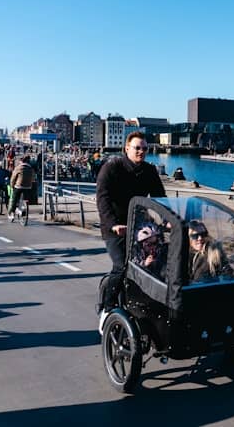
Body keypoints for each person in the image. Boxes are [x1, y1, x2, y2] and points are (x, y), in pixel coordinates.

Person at [96, 131, 166, 329]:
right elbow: (102, 199)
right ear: (127, 149)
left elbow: (161, 198)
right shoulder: (112, 168)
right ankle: (107, 308)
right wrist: (112, 224)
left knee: (153, 262)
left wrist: (169, 219)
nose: (141, 151)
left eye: (145, 148)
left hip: (139, 225)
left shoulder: (149, 170)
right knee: (122, 265)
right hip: (115, 226)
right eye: (137, 148)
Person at [8, 155, 36, 220]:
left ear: (21, 161)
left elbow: (13, 178)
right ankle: (23, 207)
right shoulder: (31, 168)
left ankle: (12, 213)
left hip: (19, 186)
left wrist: (12, 185)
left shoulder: (19, 168)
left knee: (14, 198)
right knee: (25, 198)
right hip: (28, 187)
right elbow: (33, 178)